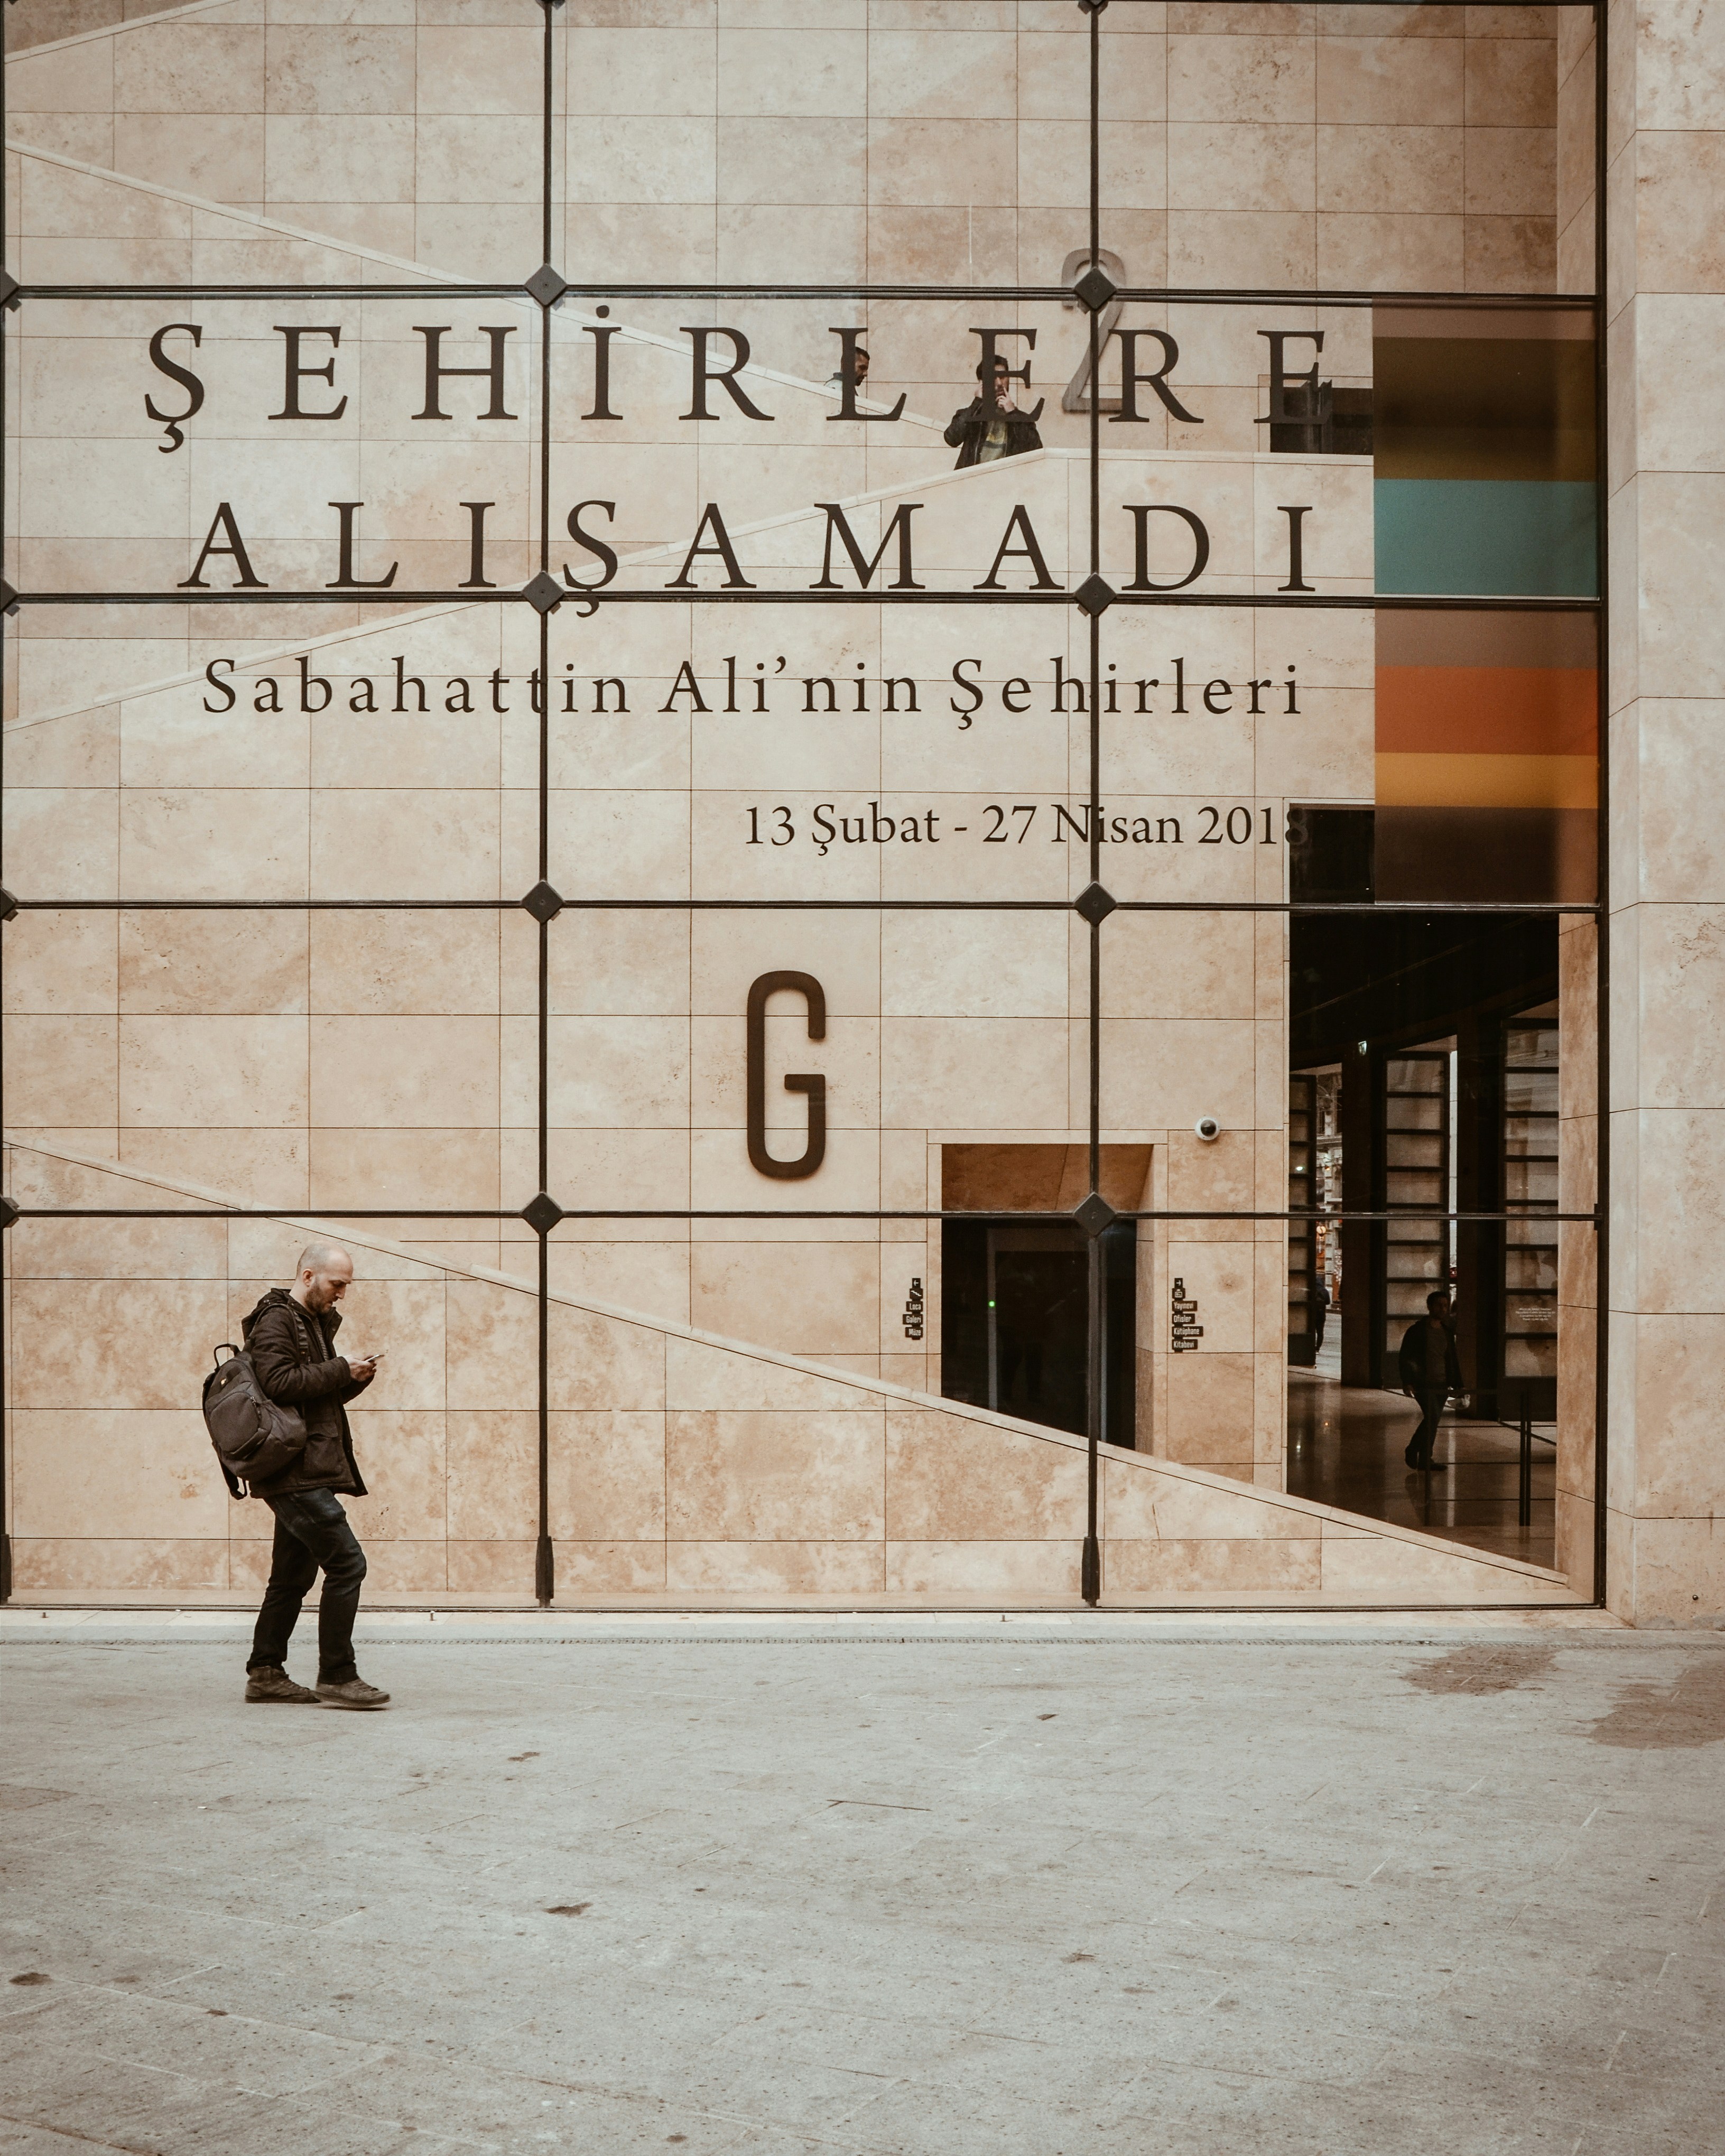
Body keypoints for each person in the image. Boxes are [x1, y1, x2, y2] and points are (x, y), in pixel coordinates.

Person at [242, 1243, 387, 1709]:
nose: (342, 1294)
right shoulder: (277, 1320)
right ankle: (338, 1675)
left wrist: (350, 1380)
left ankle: (265, 1672)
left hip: (304, 1466)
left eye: (346, 1286)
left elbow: (311, 1399)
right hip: (292, 1471)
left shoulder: (311, 1323)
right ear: (308, 1276)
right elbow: (277, 1384)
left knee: (292, 1575)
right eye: (336, 1284)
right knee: (347, 1563)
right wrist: (339, 1368)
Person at [1398, 1288, 1462, 1473]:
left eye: (1446, 1306)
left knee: (1433, 1421)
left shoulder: (1447, 1331)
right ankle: (1413, 1449)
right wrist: (1407, 1381)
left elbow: (1452, 1358)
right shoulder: (1417, 1331)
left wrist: (1457, 1382)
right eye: (1439, 1306)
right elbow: (1406, 1357)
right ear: (1429, 1307)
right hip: (1423, 1383)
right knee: (1432, 1418)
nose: (1443, 1309)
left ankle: (1426, 1459)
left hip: (1442, 1383)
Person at [944, 354, 1043, 469]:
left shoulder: (1022, 419)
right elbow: (951, 439)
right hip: (973, 483)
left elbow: (1036, 451)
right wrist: (977, 403)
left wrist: (1013, 414)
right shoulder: (971, 414)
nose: (1000, 383)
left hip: (1005, 483)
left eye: (1003, 377)